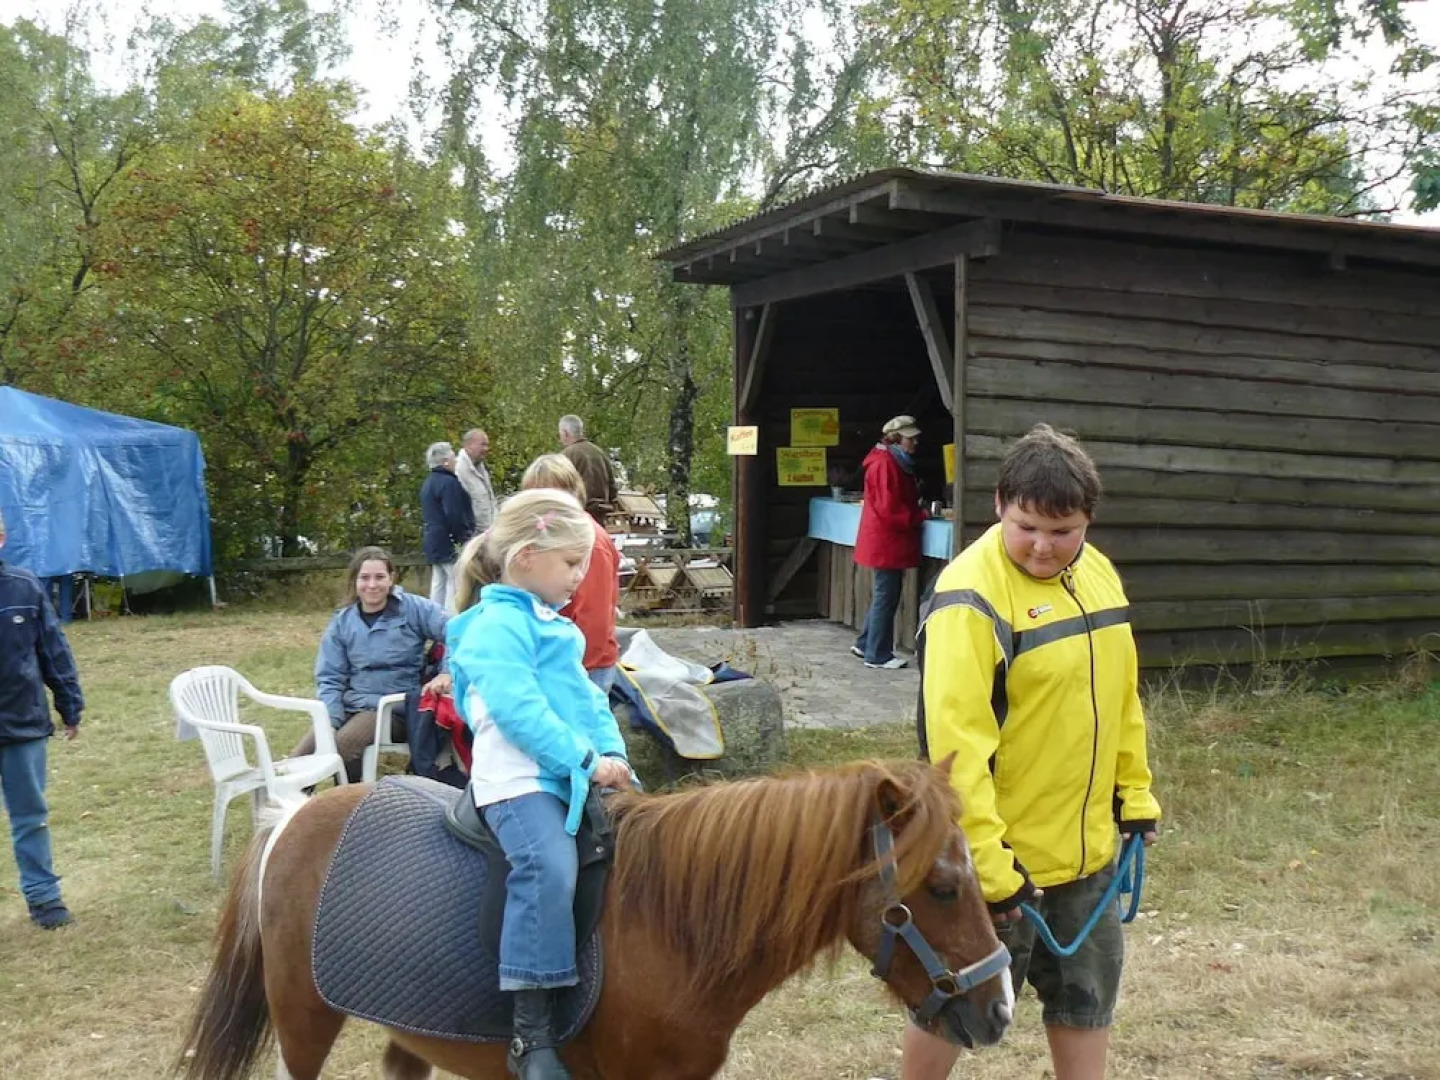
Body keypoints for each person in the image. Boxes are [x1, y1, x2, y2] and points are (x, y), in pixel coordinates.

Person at [906, 423, 1161, 1080]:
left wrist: (1135, 794)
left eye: (1064, 531)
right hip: (1002, 866)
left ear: (1087, 521)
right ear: (998, 505)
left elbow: (1121, 696)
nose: (1045, 548)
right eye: (1028, 528)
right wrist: (989, 870)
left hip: (1088, 855)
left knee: (1087, 999)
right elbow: (954, 751)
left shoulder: (1097, 573)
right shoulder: (969, 598)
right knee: (954, 1005)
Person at [448, 488, 632, 1080]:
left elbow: (587, 699)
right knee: (548, 866)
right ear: (527, 557)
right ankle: (531, 1034)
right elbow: (521, 713)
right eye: (572, 563)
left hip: (568, 774)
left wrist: (612, 752)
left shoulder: (554, 626)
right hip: (518, 781)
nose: (581, 576)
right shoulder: (495, 628)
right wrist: (583, 759)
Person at [292, 547, 452, 782]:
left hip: (393, 708)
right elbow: (330, 677)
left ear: (391, 579)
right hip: (352, 704)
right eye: (365, 578)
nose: (372, 585)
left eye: (379, 577)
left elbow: (459, 632)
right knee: (298, 759)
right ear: (355, 581)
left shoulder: (414, 609)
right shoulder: (343, 622)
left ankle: (346, 806)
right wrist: (331, 721)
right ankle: (290, 811)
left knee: (342, 747)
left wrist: (446, 672)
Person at [0, 507, 83, 929]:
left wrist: (70, 704)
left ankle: (44, 898)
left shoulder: (23, 587)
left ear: (1, 538)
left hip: (21, 725)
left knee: (29, 815)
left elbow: (53, 651)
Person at [521, 455, 621, 692]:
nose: (537, 506)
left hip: (583, 668)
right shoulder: (551, 534)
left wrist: (572, 672)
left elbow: (594, 620)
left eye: (546, 496)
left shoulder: (590, 542)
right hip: (555, 660)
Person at [851, 414, 926, 670]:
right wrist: (920, 515)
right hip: (886, 542)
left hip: (883, 541)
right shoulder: (886, 465)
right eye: (910, 438)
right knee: (887, 596)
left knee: (884, 594)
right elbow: (890, 510)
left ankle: (864, 644)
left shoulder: (888, 460)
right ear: (896, 438)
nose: (915, 443)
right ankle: (878, 655)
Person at [420, 441, 476, 611]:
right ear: (445, 461)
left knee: (438, 583)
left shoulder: (428, 483)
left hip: (433, 539)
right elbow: (454, 514)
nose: (456, 461)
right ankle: (450, 620)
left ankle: (433, 617)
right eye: (453, 457)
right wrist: (462, 537)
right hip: (448, 539)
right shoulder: (449, 483)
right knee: (454, 581)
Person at [557, 414, 618, 526]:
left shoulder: (565, 457)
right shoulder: (599, 453)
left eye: (560, 434)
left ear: (565, 433)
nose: (560, 439)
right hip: (599, 517)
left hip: (576, 518)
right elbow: (613, 489)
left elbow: (557, 490)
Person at [455, 427, 498, 533]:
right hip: (473, 536)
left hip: (488, 533)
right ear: (469, 445)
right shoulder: (458, 469)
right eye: (483, 444)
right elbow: (458, 508)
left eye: (487, 445)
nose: (486, 449)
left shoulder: (481, 468)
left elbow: (489, 501)